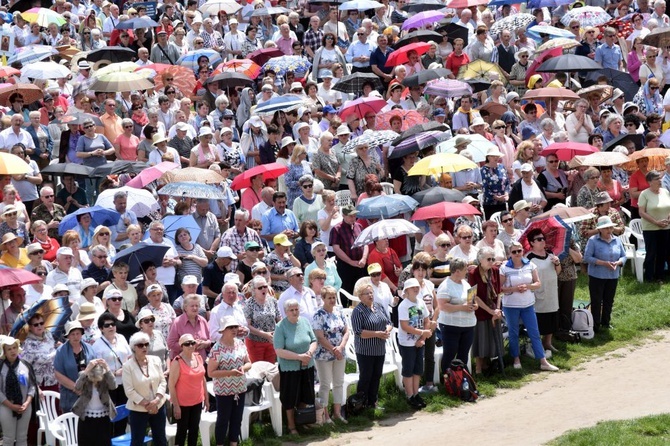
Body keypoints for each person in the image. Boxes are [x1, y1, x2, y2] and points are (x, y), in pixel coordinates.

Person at [499, 241, 558, 372]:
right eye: (514, 252)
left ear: (522, 251)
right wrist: (514, 288)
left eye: (519, 251)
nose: (517, 254)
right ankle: (516, 359)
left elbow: (537, 283)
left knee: (534, 332)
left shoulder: (530, 265)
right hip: (511, 306)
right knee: (513, 333)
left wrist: (528, 286)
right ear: (509, 253)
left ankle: (543, 361)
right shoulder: (504, 268)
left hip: (528, 305)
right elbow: (500, 288)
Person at [274, 300, 317, 435]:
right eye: (291, 310)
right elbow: (279, 350)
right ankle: (291, 426)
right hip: (289, 368)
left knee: (305, 395)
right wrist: (299, 357)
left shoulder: (304, 322)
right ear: (286, 312)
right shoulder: (281, 326)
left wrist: (308, 354)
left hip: (307, 365)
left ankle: (301, 420)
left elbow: (314, 340)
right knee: (290, 397)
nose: (294, 312)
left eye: (296, 309)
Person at [208, 316, 251, 446]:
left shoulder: (240, 343)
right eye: (230, 327)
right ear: (222, 330)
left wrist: (243, 368)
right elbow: (211, 372)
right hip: (223, 390)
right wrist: (230, 373)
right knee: (223, 420)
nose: (234, 329)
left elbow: (249, 363)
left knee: (237, 419)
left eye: (235, 327)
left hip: (240, 388)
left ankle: (234, 443)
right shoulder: (217, 348)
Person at [123, 332, 168, 446]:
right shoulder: (128, 366)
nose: (144, 347)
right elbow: (129, 390)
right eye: (140, 345)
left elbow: (162, 382)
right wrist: (148, 404)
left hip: (158, 405)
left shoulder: (155, 360)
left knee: (161, 439)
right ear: (133, 348)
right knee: (137, 441)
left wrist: (156, 400)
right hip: (138, 409)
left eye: (146, 344)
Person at [351, 282, 391, 409]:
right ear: (360, 297)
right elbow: (358, 332)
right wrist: (377, 334)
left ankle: (373, 402)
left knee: (376, 375)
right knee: (366, 377)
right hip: (365, 350)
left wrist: (387, 330)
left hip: (379, 349)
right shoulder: (358, 311)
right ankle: (360, 404)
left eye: (371, 292)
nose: (370, 295)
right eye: (366, 293)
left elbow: (389, 321)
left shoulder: (378, 306)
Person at [312, 285, 349, 423]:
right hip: (324, 355)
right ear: (323, 298)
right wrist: (334, 349)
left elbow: (346, 331)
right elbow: (320, 337)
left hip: (340, 352)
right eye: (329, 298)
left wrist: (341, 347)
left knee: (338, 382)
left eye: (334, 297)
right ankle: (325, 415)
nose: (332, 300)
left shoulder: (339, 311)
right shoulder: (318, 315)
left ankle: (337, 413)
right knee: (325, 384)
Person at [584, 216, 627, 332]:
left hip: (613, 276)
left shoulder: (617, 240)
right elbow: (587, 258)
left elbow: (624, 255)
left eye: (611, 228)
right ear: (600, 230)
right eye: (606, 228)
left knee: (609, 300)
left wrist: (619, 262)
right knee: (596, 301)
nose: (609, 230)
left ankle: (606, 323)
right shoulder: (593, 240)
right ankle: (595, 325)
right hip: (597, 276)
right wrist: (603, 263)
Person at [92, 312, 132, 433]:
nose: (111, 327)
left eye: (113, 324)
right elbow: (97, 369)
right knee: (109, 417)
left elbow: (130, 356)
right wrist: (114, 373)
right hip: (108, 385)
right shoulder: (97, 345)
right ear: (101, 329)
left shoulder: (122, 338)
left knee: (123, 414)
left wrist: (124, 368)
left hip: (124, 383)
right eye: (107, 325)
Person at [525, 228, 561, 357]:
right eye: (538, 239)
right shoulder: (528, 257)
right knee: (539, 319)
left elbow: (557, 272)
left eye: (543, 238)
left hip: (551, 291)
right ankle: (536, 344)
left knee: (551, 317)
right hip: (538, 293)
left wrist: (557, 263)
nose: (542, 241)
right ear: (532, 242)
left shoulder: (551, 254)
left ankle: (548, 342)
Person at [397, 278, 431, 409]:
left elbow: (426, 320)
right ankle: (409, 395)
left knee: (418, 369)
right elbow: (405, 326)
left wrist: (422, 338)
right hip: (407, 343)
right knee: (408, 369)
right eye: (412, 288)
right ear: (407, 290)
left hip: (419, 341)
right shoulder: (403, 305)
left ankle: (416, 393)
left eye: (417, 287)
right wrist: (422, 332)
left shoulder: (421, 302)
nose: (416, 289)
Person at [167, 334, 208, 446]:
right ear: (181, 346)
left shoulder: (199, 357)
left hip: (198, 401)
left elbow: (203, 378)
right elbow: (171, 385)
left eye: (192, 343)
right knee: (182, 431)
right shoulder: (177, 361)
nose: (190, 345)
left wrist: (207, 399)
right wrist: (176, 406)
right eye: (187, 344)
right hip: (182, 404)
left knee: (194, 430)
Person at [54, 320, 98, 413]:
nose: (75, 336)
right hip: (69, 395)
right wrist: (76, 388)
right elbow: (58, 374)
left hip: (88, 393)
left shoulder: (89, 348)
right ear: (68, 336)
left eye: (78, 333)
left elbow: (95, 368)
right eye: (72, 334)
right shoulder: (61, 351)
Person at [0, 336, 37, 446]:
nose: (12, 351)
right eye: (9, 349)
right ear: (4, 352)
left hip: (24, 405)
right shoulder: (1, 367)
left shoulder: (25, 365)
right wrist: (11, 405)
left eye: (14, 348)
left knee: (22, 438)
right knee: (8, 438)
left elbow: (32, 386)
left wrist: (26, 403)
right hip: (6, 405)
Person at [72, 358, 116, 446]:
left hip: (103, 416)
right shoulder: (84, 376)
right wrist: (87, 370)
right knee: (86, 442)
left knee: (103, 442)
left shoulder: (105, 377)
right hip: (86, 417)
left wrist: (107, 367)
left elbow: (113, 386)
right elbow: (77, 388)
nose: (95, 381)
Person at [637, 170, 670, 282]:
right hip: (651, 228)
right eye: (657, 179)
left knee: (662, 252)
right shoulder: (644, 194)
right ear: (650, 182)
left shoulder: (665, 192)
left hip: (665, 227)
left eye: (660, 178)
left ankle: (659, 276)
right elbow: (641, 212)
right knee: (651, 253)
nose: (660, 180)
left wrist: (669, 218)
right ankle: (649, 277)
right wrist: (656, 222)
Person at [244, 276, 281, 363]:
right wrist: (264, 334)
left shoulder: (273, 301)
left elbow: (279, 319)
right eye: (260, 288)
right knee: (258, 370)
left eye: (265, 286)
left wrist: (277, 332)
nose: (263, 289)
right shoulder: (249, 303)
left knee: (270, 370)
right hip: (255, 343)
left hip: (271, 341)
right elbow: (247, 325)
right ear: (254, 290)